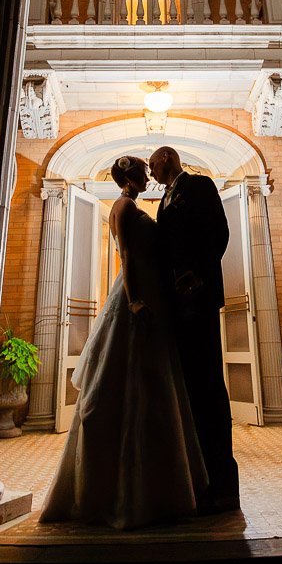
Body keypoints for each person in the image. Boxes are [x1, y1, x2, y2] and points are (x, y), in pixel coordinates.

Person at [40, 153, 207, 529]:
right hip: (137, 296)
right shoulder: (124, 208)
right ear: (130, 178)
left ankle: (153, 485)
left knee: (149, 385)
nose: (149, 177)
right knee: (131, 384)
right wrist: (133, 300)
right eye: (144, 173)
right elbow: (128, 257)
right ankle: (125, 491)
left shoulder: (129, 204)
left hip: (151, 293)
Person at [148, 145, 240, 514]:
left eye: (153, 164)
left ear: (167, 159)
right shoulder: (162, 201)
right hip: (175, 305)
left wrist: (197, 276)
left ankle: (222, 483)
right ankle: (194, 480)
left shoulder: (200, 186)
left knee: (208, 386)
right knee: (186, 389)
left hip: (198, 299)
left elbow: (218, 234)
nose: (151, 171)